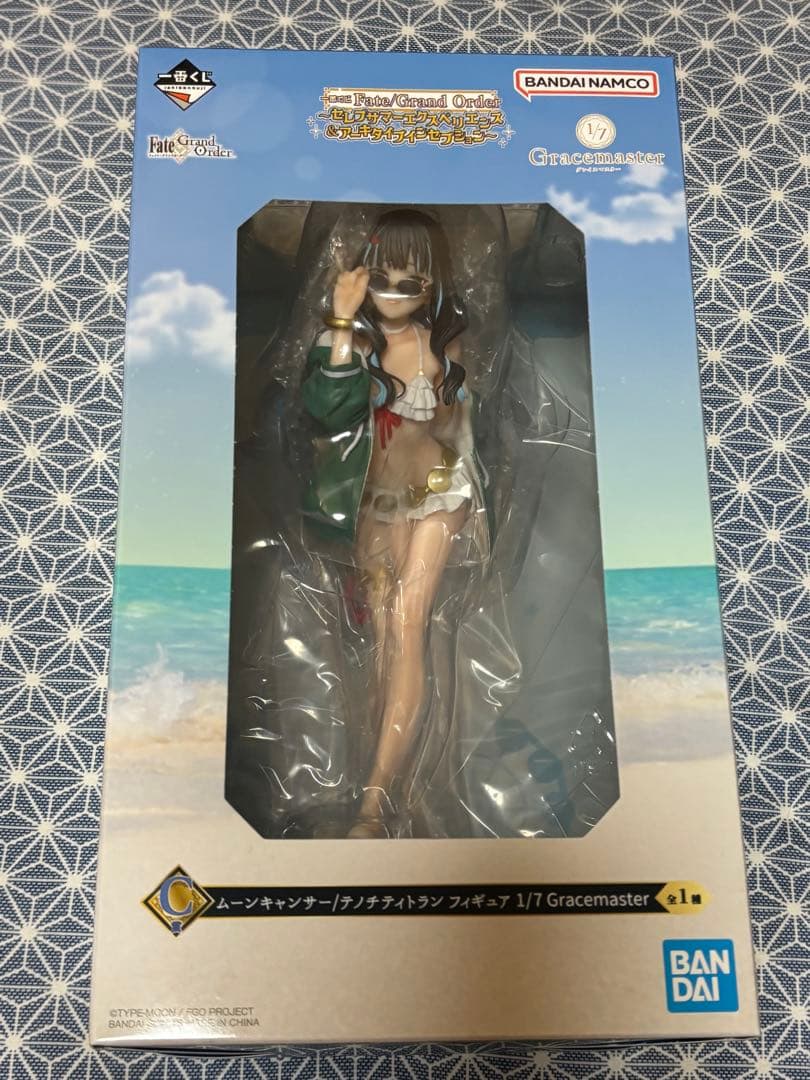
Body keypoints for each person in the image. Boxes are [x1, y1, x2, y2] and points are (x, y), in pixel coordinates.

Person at [301, 208, 489, 837]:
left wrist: (474, 499)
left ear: (433, 287)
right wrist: (340, 318)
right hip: (374, 503)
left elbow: (462, 432)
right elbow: (328, 410)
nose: (392, 294)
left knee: (408, 627)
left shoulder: (445, 346)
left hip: (439, 495)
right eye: (381, 279)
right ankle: (382, 787)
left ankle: (374, 801)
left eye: (411, 283)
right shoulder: (349, 344)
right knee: (383, 641)